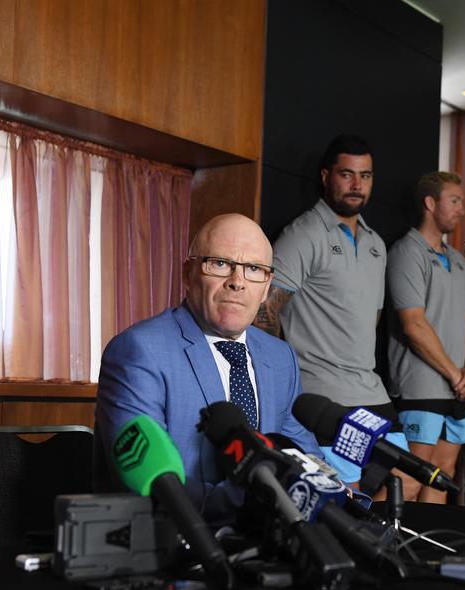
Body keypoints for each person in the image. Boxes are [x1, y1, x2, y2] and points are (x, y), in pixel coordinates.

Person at [94, 213, 319, 523]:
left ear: (267, 286)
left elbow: (306, 459)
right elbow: (152, 489)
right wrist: (262, 496)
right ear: (188, 274)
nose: (237, 282)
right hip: (179, 543)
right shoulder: (140, 350)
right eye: (220, 263)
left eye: (253, 269)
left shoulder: (282, 358)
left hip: (274, 540)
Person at [255, 134, 412, 494]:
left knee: (404, 482)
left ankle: (372, 549)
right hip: (324, 392)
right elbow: (264, 312)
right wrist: (284, 380)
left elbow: (369, 319)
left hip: (370, 389)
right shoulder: (304, 233)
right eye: (347, 174)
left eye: (366, 176)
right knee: (347, 491)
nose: (357, 185)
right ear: (326, 176)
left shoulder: (376, 243)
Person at [386, 172, 465, 503]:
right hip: (421, 386)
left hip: (458, 388)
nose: (461, 209)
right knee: (410, 480)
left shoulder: (456, 259)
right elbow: (413, 324)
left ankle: (422, 553)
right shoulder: (406, 252)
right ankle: (376, 547)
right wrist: (457, 374)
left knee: (443, 475)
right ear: (430, 203)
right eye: (454, 201)